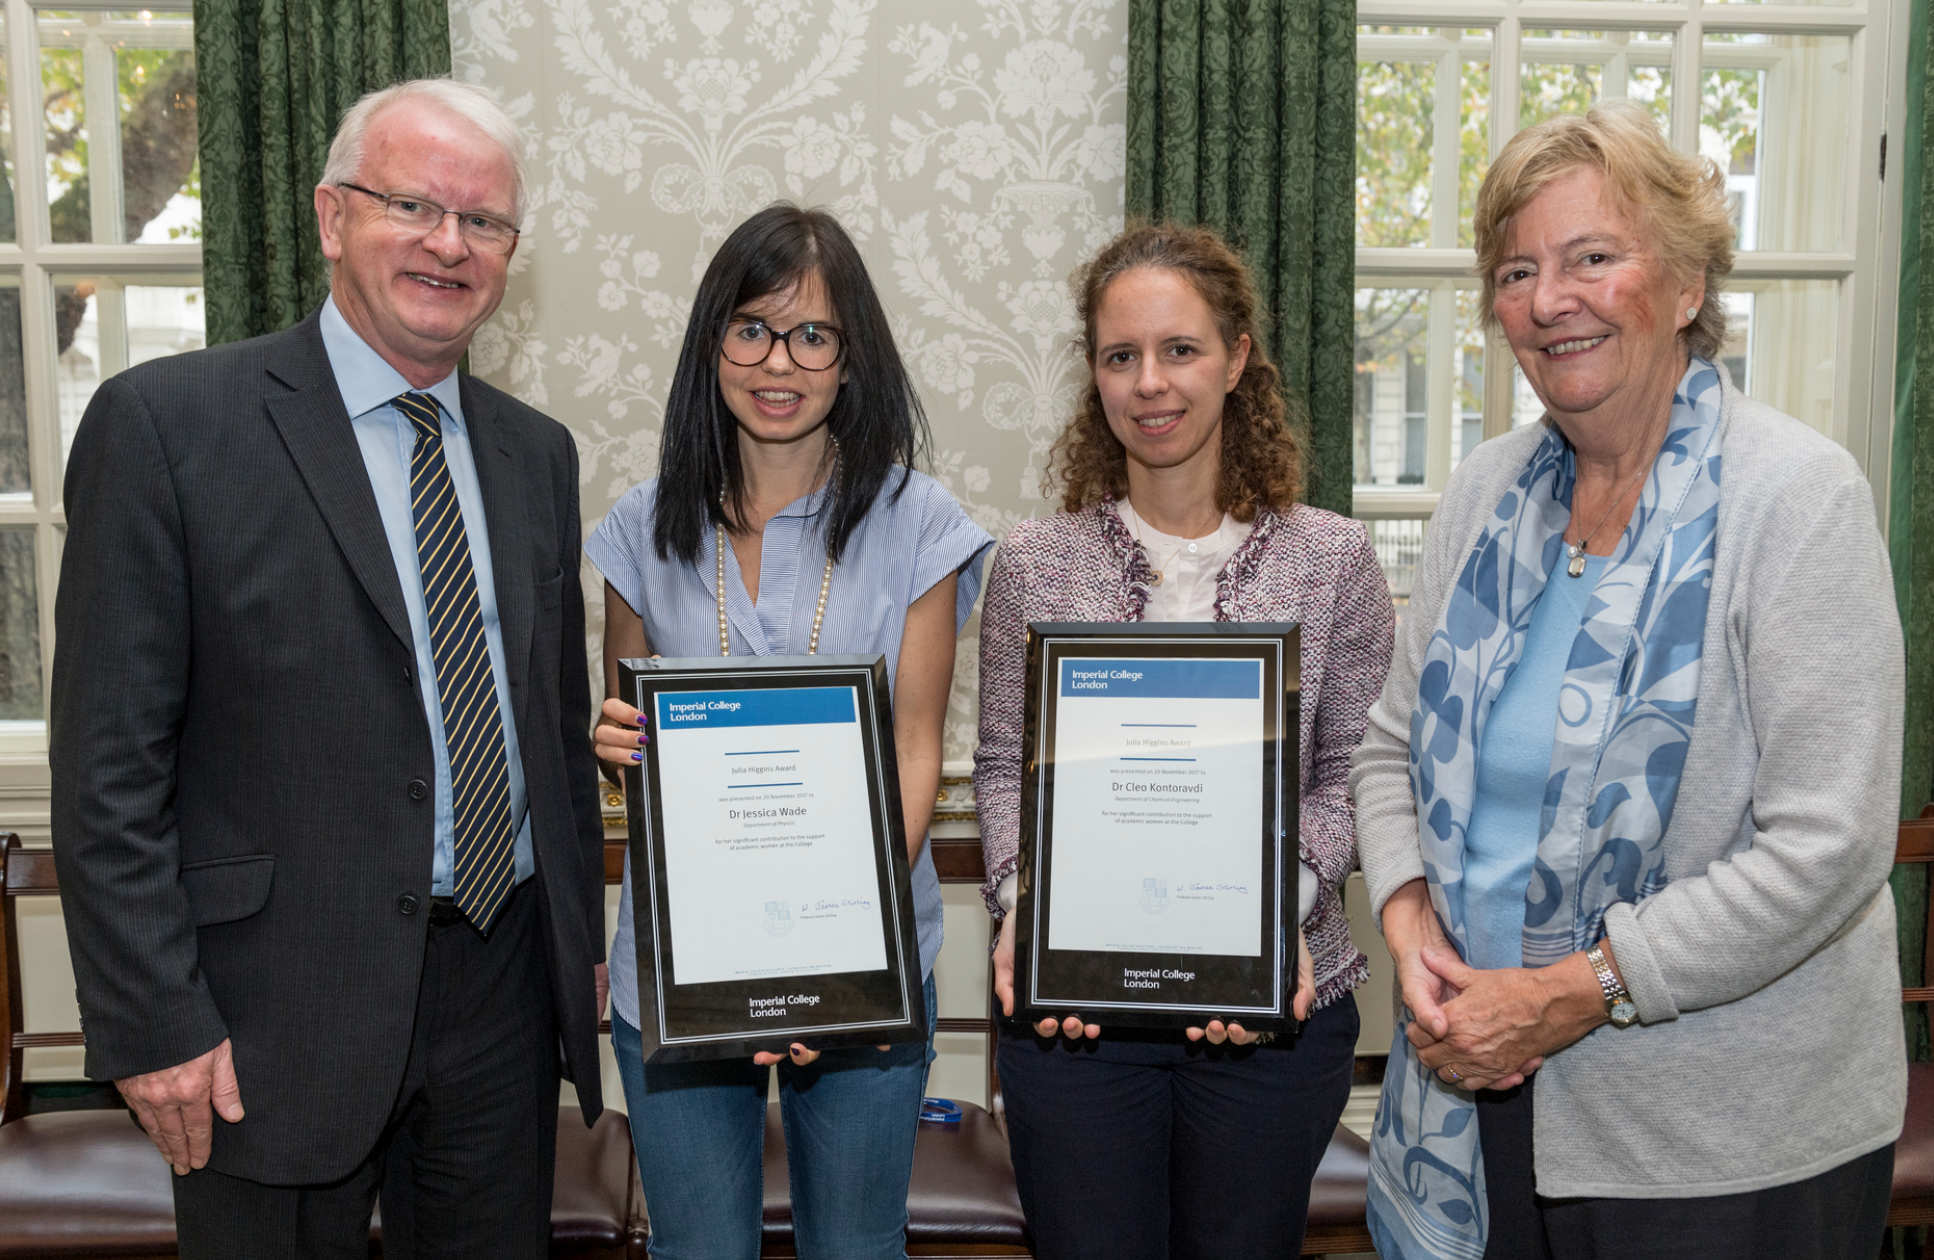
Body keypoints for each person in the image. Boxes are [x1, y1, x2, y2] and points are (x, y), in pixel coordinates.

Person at [47, 79, 607, 1257]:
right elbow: (108, 768)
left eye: (484, 221)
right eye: (412, 204)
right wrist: (152, 1023)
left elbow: (546, 737)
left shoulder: (533, 456)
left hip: (499, 999)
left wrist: (577, 956)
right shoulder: (167, 427)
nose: (449, 243)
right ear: (328, 216)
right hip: (267, 1012)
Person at [1351, 100, 1905, 1260]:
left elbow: (1825, 846)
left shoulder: (1795, 499)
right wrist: (1407, 929)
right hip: (1472, 1095)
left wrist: (1568, 992)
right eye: (1515, 269)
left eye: (1592, 257)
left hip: (1724, 1141)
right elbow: (1387, 750)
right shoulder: (1481, 497)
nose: (1550, 298)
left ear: (1687, 284)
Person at [972, 222, 1395, 1259]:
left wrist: (1256, 933)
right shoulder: (1033, 563)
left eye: (1179, 350)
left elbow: (1352, 774)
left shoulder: (1332, 559)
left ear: (1236, 357)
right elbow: (997, 770)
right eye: (1120, 357)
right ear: (1094, 375)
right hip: (1075, 1025)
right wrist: (1031, 914)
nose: (1149, 384)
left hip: (1277, 1012)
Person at [586, 203, 993, 1259]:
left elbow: (915, 747)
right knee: (697, 1250)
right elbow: (635, 744)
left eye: (813, 335)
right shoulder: (640, 525)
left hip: (864, 962)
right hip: (678, 969)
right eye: (752, 329)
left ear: (850, 359)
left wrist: (825, 946)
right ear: (711, 341)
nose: (781, 362)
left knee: (856, 1249)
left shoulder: (919, 523)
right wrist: (612, 742)